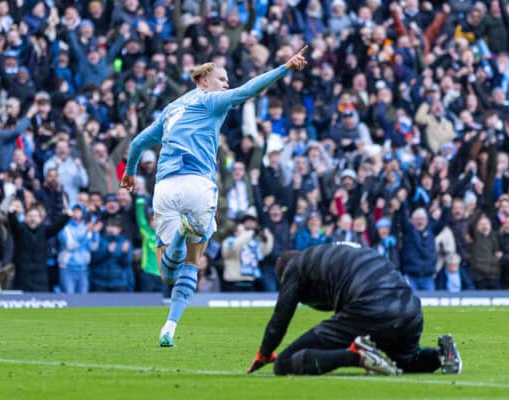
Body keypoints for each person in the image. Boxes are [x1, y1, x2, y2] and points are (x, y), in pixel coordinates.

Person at [120, 46, 309, 346]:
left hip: (166, 187)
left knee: (168, 273)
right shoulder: (210, 100)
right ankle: (172, 311)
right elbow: (247, 91)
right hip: (198, 185)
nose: (227, 85)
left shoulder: (171, 109)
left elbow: (138, 142)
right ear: (204, 79)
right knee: (193, 263)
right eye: (222, 79)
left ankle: (169, 327)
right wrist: (284, 68)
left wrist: (129, 172)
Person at [247, 243, 461, 376]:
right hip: (411, 310)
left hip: (372, 306)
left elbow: (281, 316)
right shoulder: (331, 253)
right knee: (405, 361)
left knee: (284, 363)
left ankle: (356, 355)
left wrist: (265, 353)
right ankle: (442, 355)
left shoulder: (294, 266)